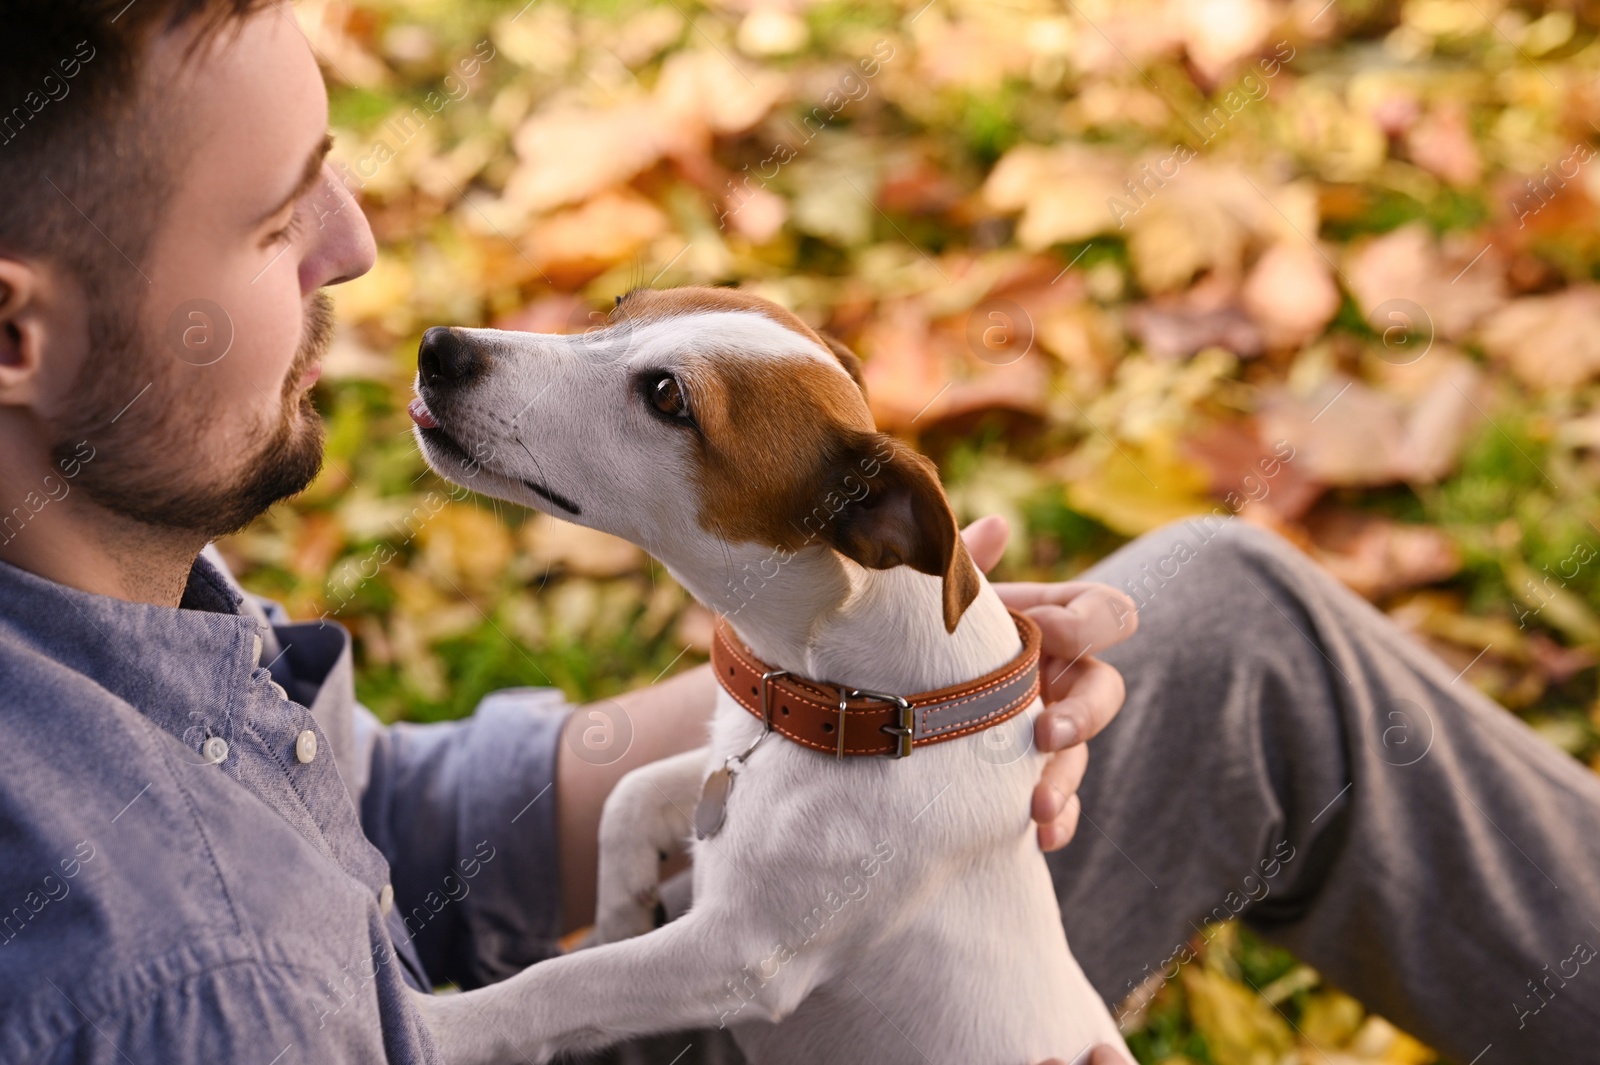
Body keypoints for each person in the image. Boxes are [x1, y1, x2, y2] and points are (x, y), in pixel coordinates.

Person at [0, 2, 1593, 1064]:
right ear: (19, 337)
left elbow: (367, 811)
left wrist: (900, 713)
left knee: (1216, 615)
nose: (354, 252)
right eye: (279, 221)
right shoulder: (179, 992)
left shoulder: (91, 570)